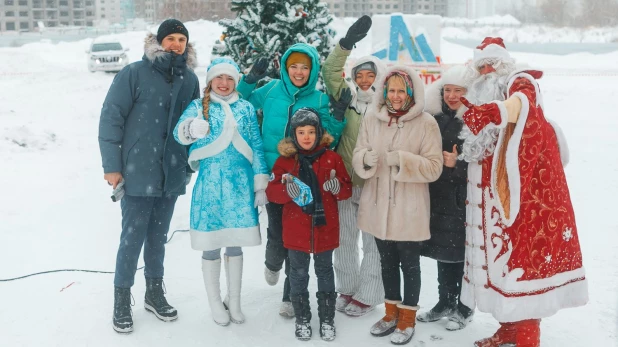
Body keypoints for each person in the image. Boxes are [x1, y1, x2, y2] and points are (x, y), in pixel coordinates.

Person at [457, 37, 588, 347]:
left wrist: (493, 111)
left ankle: (528, 336)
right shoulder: (479, 93)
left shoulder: (520, 83)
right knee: (500, 267)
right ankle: (509, 328)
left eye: (493, 64)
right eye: (482, 66)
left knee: (522, 266)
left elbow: (522, 105)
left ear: (505, 65)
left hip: (526, 201)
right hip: (494, 202)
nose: (487, 71)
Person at [98, 18, 200, 334]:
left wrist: (190, 163)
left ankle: (154, 293)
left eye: (181, 41)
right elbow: (110, 118)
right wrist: (111, 166)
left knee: (158, 237)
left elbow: (194, 123)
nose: (176, 45)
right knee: (132, 238)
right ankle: (121, 297)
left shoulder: (190, 79)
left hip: (171, 173)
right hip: (137, 171)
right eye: (170, 39)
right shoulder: (134, 74)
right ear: (158, 42)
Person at [237, 43, 346, 317]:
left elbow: (328, 136)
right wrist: (249, 81)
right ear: (286, 68)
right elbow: (241, 104)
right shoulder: (271, 90)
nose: (299, 72)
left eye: (305, 67)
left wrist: (339, 116)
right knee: (277, 233)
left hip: (307, 178)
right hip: (277, 175)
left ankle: (289, 296)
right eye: (294, 66)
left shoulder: (319, 100)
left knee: (295, 239)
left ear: (312, 70)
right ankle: (272, 262)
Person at [173, 57, 269, 326]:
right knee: (211, 243)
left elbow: (257, 145)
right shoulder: (198, 106)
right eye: (219, 78)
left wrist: (260, 184)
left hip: (240, 184)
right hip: (211, 184)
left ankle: (234, 300)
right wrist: (190, 129)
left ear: (236, 81)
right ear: (210, 81)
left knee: (235, 242)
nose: (224, 84)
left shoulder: (246, 108)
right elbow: (178, 134)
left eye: (229, 78)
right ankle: (215, 302)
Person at [352, 66, 443, 345]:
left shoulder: (426, 123)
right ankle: (390, 312)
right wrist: (365, 159)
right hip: (378, 205)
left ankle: (407, 318)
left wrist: (403, 160)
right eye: (391, 90)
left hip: (409, 209)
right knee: (387, 262)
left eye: (401, 90)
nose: (395, 96)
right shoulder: (372, 118)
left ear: (411, 92)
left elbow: (434, 167)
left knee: (410, 265)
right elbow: (358, 153)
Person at [266, 108, 352, 341]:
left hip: (325, 229)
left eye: (311, 131)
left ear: (319, 132)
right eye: (301, 132)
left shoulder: (332, 158)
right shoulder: (285, 161)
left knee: (325, 271)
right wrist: (286, 190)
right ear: (294, 134)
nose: (306, 137)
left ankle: (327, 318)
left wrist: (337, 187)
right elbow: (272, 193)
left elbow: (346, 188)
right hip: (296, 231)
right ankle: (302, 317)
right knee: (298, 273)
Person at [321, 15, 386, 317]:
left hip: (375, 184)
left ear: (378, 77)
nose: (364, 80)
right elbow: (329, 71)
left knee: (374, 243)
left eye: (369, 75)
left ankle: (369, 294)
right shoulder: (345, 97)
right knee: (344, 238)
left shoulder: (386, 104)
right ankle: (346, 287)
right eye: (359, 75)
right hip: (346, 182)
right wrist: (345, 44)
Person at [416, 65, 474, 330]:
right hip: (437, 194)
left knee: (461, 255)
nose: (451, 96)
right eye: (447, 90)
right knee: (443, 252)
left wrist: (458, 163)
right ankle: (444, 302)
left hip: (462, 198)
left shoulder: (475, 121)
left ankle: (463, 308)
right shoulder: (434, 118)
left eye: (458, 91)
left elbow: (487, 162)